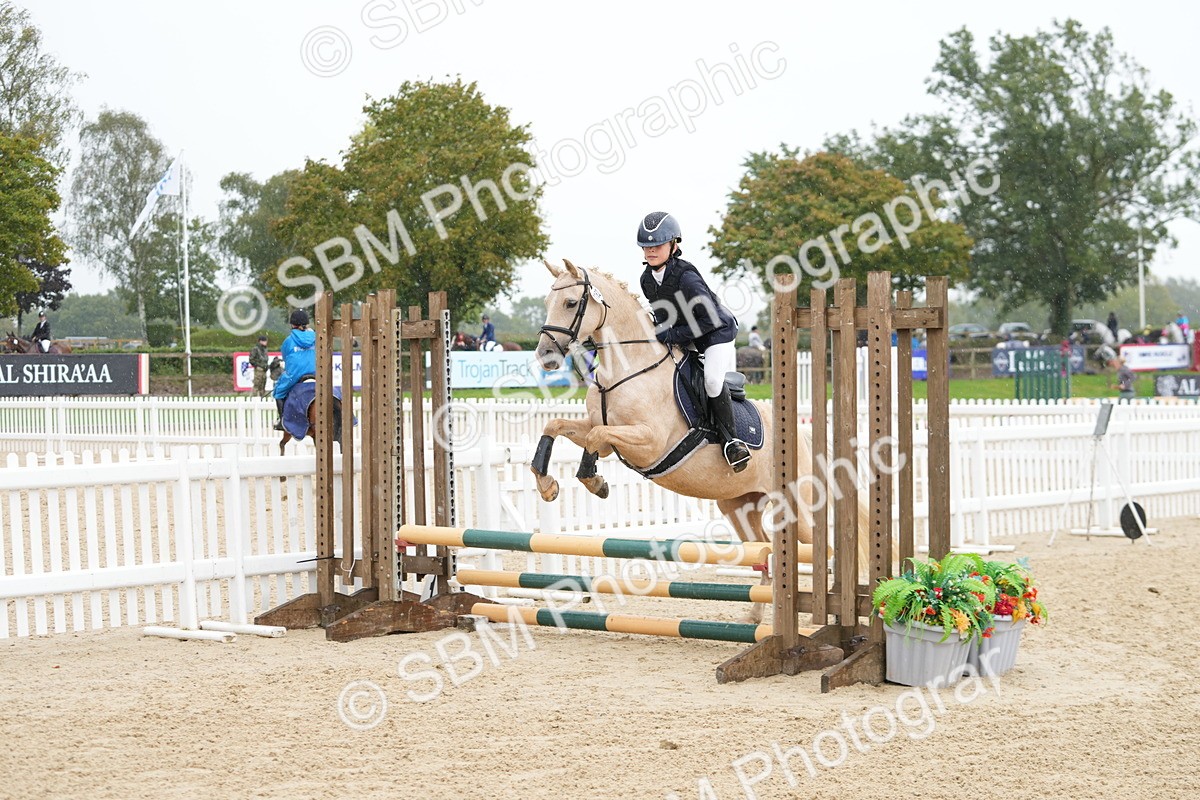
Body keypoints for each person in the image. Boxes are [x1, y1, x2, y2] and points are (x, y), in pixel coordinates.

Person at [636, 211, 750, 472]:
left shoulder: (686, 276)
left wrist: (673, 335)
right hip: (688, 332)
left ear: (673, 245)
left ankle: (732, 441)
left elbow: (709, 319)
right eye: (646, 246)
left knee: (711, 381)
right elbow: (665, 316)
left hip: (715, 332)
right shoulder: (646, 280)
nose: (651, 250)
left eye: (657, 245)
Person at [272, 309, 316, 431]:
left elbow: (286, 358)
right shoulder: (316, 337)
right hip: (316, 373)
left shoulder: (289, 340)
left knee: (278, 392)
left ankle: (283, 421)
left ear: (292, 324)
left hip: (296, 375)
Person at [249, 334, 270, 398]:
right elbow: (251, 359)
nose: (266, 342)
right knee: (257, 384)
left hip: (264, 369)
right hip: (259, 369)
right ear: (261, 341)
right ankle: (253, 398)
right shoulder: (255, 349)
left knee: (263, 385)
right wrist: (257, 366)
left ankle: (262, 398)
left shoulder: (265, 349)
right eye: (265, 341)